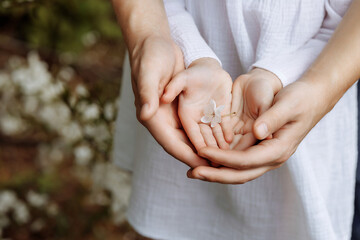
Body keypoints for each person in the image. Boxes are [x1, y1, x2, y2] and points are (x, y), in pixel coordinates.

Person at [112, 0, 358, 239]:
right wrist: (150, 34)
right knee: (174, 221)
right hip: (176, 65)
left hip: (330, 56)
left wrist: (320, 86)